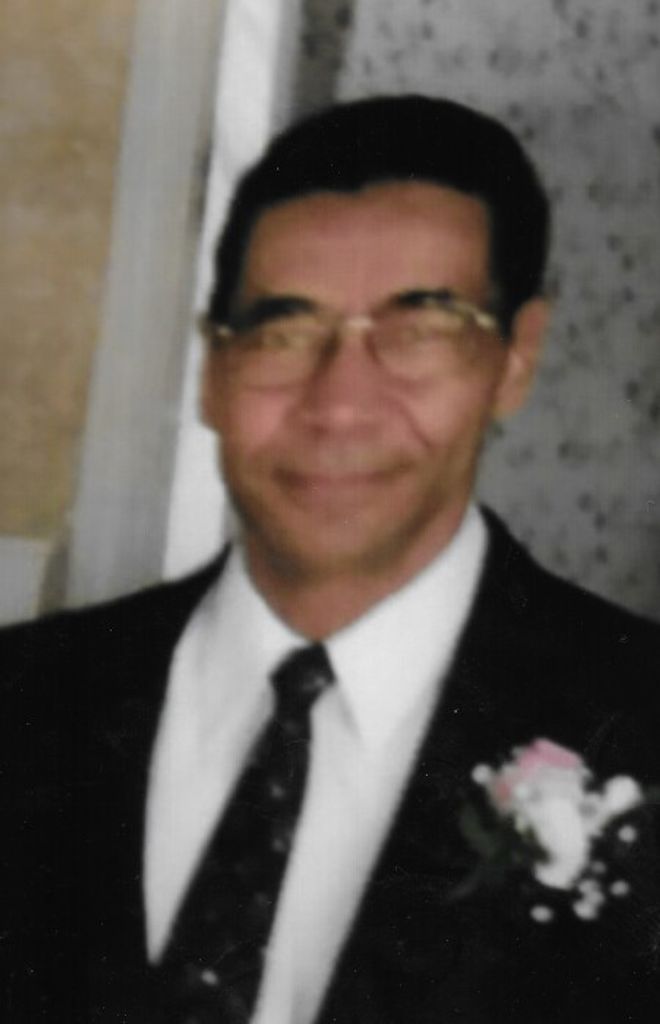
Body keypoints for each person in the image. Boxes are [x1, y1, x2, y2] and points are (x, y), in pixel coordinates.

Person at [2, 95, 660, 1024]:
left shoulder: (636, 724)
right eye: (283, 330)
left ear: (515, 358)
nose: (340, 405)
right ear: (213, 369)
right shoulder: (27, 701)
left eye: (421, 328)